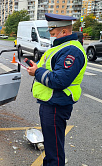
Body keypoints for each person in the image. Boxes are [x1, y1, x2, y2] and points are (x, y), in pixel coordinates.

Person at [27, 13, 87, 166]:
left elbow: (60, 80)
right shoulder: (61, 48)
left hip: (56, 105)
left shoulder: (71, 51)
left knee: (54, 152)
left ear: (64, 32)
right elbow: (50, 69)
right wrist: (36, 67)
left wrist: (36, 72)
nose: (52, 37)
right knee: (51, 147)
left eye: (53, 33)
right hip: (50, 103)